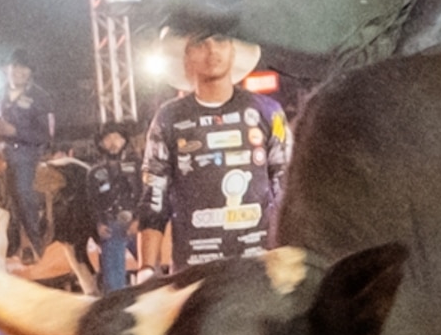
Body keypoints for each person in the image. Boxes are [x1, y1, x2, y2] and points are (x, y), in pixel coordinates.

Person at [136, 15, 290, 275]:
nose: (212, 50)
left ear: (232, 50)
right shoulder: (168, 118)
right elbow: (154, 196)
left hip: (259, 271)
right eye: (200, 43)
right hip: (193, 274)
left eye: (220, 40)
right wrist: (146, 270)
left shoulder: (268, 111)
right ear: (187, 56)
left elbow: (287, 188)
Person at [0, 51, 55, 261]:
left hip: (28, 151)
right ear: (5, 69)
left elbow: (47, 133)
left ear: (30, 72)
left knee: (22, 190)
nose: (19, 72)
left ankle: (35, 242)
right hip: (0, 151)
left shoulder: (40, 97)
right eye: (15, 67)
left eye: (24, 68)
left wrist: (16, 132)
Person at [83, 125, 138, 292]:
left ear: (124, 141)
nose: (113, 142)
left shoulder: (138, 166)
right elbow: (91, 201)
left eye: (117, 138)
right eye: (108, 139)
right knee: (114, 281)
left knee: (150, 269)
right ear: (101, 143)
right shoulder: (95, 172)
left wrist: (139, 220)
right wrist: (98, 224)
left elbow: (146, 194)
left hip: (136, 223)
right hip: (111, 225)